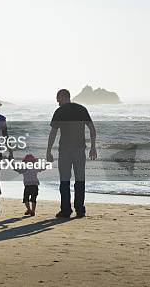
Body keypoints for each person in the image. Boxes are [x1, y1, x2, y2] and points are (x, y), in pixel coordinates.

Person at [46, 89, 97, 218]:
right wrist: (93, 147)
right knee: (80, 179)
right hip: (80, 150)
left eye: (58, 98)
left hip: (65, 151)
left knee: (64, 180)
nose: (57, 101)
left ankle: (66, 210)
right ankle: (80, 210)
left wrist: (48, 151)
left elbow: (53, 133)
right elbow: (92, 129)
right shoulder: (82, 109)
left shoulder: (59, 112)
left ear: (63, 97)